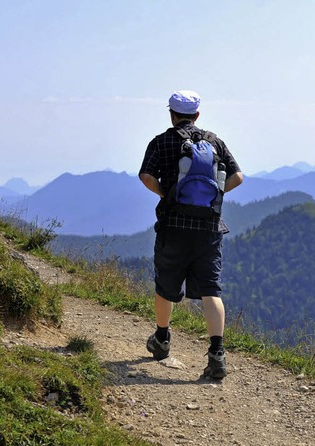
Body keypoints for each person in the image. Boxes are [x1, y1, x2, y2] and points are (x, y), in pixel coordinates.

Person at [139, 90, 243, 379]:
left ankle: (161, 340)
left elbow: (146, 175)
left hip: (173, 226)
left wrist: (166, 194)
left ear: (171, 114)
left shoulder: (161, 142)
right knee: (211, 288)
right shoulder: (214, 142)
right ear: (197, 115)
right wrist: (215, 197)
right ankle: (217, 354)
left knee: (166, 284)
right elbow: (237, 177)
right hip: (209, 228)